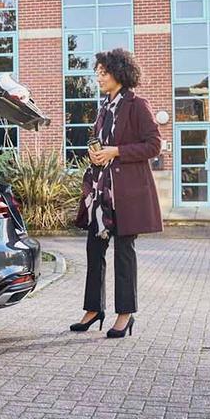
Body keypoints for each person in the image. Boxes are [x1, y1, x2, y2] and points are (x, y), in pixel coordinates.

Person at [70, 48, 162, 339]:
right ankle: (93, 309)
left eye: (103, 72)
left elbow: (154, 145)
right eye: (96, 72)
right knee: (93, 251)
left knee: (124, 253)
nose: (98, 77)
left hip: (127, 193)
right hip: (100, 193)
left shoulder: (137, 105)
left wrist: (117, 151)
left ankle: (125, 314)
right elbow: (100, 142)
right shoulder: (103, 108)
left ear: (119, 73)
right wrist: (95, 152)